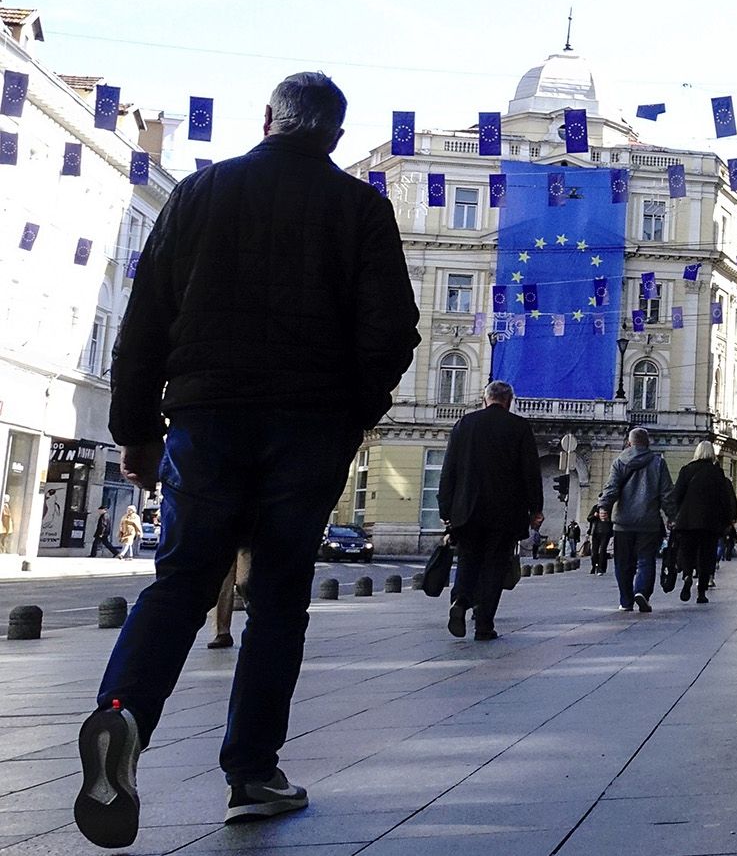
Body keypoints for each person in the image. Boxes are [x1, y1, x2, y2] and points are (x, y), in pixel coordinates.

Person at [78, 72, 418, 849]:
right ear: (334, 136)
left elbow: (145, 321)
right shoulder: (361, 209)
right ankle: (252, 773)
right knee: (278, 599)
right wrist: (348, 414)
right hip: (307, 426)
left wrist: (135, 429)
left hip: (206, 418)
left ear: (268, 119)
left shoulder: (199, 194)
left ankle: (123, 716)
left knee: (180, 584)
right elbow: (394, 329)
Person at [439, 381, 542, 642]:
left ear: (486, 399)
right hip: (504, 512)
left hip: (467, 510)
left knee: (468, 558)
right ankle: (484, 625)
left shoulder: (464, 424)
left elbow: (449, 469)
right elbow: (531, 472)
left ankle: (460, 601)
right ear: (509, 401)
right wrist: (535, 509)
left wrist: (446, 508)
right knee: (494, 566)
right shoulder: (519, 427)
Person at [597, 428, 675, 612]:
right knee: (646, 560)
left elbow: (611, 488)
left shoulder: (619, 462)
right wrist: (672, 516)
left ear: (629, 442)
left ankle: (625, 600)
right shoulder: (658, 463)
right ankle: (641, 592)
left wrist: (604, 507)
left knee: (623, 563)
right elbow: (666, 494)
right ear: (647, 443)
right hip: (649, 522)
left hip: (623, 522)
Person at [668, 442, 736, 603]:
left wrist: (673, 516)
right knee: (707, 556)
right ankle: (701, 592)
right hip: (710, 524)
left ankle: (686, 576)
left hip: (687, 522)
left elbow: (676, 496)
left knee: (687, 551)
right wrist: (727, 520)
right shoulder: (717, 473)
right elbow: (724, 499)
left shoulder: (686, 470)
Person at [206, 550, 252, 650]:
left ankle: (255, 615)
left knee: (244, 581)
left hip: (246, 540)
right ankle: (222, 633)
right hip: (223, 539)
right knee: (223, 586)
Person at [587, 506, 613, 575]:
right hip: (595, 532)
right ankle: (594, 566)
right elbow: (589, 518)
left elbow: (613, 520)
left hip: (606, 532)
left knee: (602, 551)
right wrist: (594, 516)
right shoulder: (595, 507)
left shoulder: (609, 508)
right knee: (594, 552)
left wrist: (608, 518)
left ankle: (601, 568)